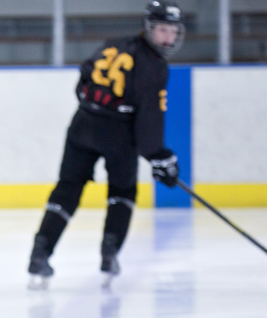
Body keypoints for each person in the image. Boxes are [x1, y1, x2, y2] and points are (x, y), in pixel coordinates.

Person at [28, 0, 184, 286]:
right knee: (122, 192)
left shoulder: (113, 44)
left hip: (83, 123)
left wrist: (97, 109)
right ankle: (109, 253)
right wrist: (159, 155)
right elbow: (150, 117)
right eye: (162, 30)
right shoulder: (155, 65)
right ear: (149, 28)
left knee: (67, 188)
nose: (168, 37)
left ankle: (40, 252)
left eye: (172, 31)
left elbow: (83, 81)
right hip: (119, 134)